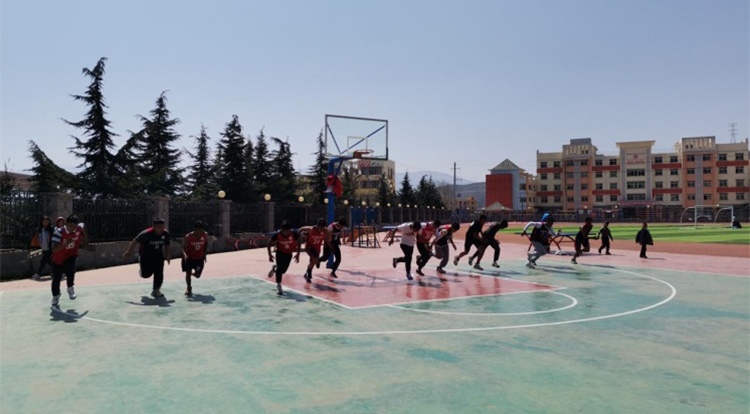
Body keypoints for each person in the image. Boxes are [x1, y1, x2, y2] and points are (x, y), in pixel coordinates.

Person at [123, 218, 172, 298]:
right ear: (154, 227)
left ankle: (156, 290)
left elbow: (167, 245)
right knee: (146, 274)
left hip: (158, 256)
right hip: (146, 256)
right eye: (159, 227)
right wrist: (129, 252)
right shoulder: (146, 234)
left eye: (163, 227)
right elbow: (135, 241)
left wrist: (168, 255)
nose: (161, 229)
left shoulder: (165, 234)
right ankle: (142, 271)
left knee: (159, 272)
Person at [50, 215, 87, 307]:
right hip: (58, 258)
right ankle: (56, 295)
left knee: (71, 270)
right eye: (70, 226)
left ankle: (70, 287)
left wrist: (84, 238)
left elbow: (83, 225)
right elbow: (54, 249)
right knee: (56, 279)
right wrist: (65, 243)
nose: (72, 228)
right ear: (66, 224)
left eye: (74, 226)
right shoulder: (58, 232)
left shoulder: (78, 228)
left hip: (71, 255)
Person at [267, 220, 301, 295]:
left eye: (287, 231)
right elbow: (269, 243)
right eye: (284, 230)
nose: (285, 232)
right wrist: (270, 255)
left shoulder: (294, 234)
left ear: (289, 230)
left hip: (289, 254)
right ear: (281, 229)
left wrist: (298, 254)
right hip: (280, 253)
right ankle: (279, 285)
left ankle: (274, 269)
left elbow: (299, 242)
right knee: (280, 270)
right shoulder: (277, 235)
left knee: (283, 271)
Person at [299, 218, 330, 283]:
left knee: (312, 261)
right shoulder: (311, 229)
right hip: (309, 247)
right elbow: (301, 228)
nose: (321, 229)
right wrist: (297, 237)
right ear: (317, 225)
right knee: (315, 258)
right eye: (320, 227)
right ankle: (309, 273)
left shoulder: (325, 230)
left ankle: (306, 273)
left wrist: (327, 242)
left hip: (317, 248)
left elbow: (327, 238)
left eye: (323, 227)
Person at [182, 221, 208, 297]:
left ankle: (192, 273)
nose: (200, 232)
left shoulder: (205, 234)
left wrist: (205, 254)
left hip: (200, 258)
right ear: (195, 229)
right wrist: (185, 255)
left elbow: (206, 243)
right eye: (199, 230)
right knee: (188, 274)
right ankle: (189, 288)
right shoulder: (188, 236)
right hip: (190, 258)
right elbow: (183, 247)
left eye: (202, 230)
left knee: (197, 275)